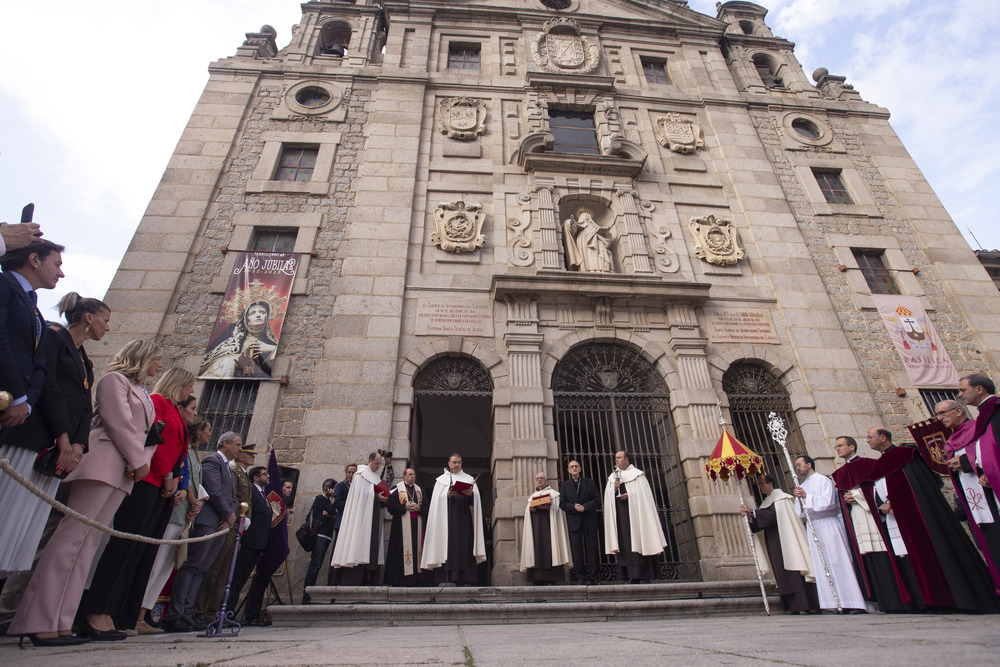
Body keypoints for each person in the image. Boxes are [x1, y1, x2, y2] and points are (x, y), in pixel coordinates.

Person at [7, 340, 159, 646]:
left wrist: (139, 463)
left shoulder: (143, 392)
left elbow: (146, 432)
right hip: (103, 462)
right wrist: (139, 461)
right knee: (70, 540)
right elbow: (119, 423)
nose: (158, 366)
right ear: (141, 358)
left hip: (124, 471)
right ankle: (38, 619)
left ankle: (62, 620)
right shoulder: (113, 381)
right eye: (156, 359)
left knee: (87, 547)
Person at [0, 293, 109, 623]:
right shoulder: (53, 338)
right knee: (8, 521)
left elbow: (83, 404)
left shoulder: (85, 360)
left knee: (24, 530)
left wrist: (79, 443)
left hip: (61, 450)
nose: (107, 326)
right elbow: (49, 389)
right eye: (104, 319)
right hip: (37, 439)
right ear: (88, 318)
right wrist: (63, 436)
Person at [79, 367, 192, 634]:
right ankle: (101, 610)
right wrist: (166, 474)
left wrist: (176, 481)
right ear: (176, 384)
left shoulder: (175, 410)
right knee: (127, 546)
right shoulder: (157, 402)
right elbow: (157, 442)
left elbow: (179, 451)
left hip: (165, 486)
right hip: (149, 481)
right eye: (188, 387)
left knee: (144, 552)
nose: (190, 393)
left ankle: (128, 616)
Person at [863, 425, 998, 613]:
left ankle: (948, 600)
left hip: (918, 517)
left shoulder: (907, 455)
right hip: (895, 519)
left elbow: (921, 485)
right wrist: (882, 504)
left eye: (870, 437)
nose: (867, 441)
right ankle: (923, 600)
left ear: (883, 437)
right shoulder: (879, 464)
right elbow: (878, 488)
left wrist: (897, 503)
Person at [0, 239, 64, 575]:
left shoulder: (35, 308)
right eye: (56, 264)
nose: (61, 272)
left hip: (20, 409)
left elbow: (39, 363)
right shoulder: (5, 286)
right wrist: (18, 396)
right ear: (34, 259)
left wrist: (27, 400)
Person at [162, 431, 241, 633]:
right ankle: (176, 613)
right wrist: (229, 515)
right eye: (238, 444)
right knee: (193, 566)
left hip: (220, 523)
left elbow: (231, 496)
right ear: (225, 444)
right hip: (208, 521)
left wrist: (230, 516)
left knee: (203, 568)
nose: (240, 448)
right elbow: (214, 491)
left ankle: (188, 613)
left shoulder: (229, 468)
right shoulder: (212, 462)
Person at [137, 414, 209, 634]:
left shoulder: (195, 454)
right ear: (198, 431)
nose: (209, 434)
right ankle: (138, 612)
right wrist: (192, 500)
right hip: (175, 512)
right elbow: (184, 479)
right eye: (207, 429)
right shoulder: (185, 451)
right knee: (156, 563)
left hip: (187, 514)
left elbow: (196, 483)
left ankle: (146, 611)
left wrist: (197, 503)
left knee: (167, 566)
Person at [830, 436, 912, 613]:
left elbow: (876, 490)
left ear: (852, 447)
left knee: (882, 554)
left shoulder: (868, 464)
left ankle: (897, 600)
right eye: (836, 447)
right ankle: (882, 601)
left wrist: (857, 496)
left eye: (840, 446)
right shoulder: (841, 473)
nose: (837, 449)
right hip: (857, 518)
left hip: (871, 516)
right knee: (868, 557)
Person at [792, 455, 868, 612]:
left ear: (809, 464)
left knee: (838, 560)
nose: (798, 468)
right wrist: (800, 500)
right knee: (822, 563)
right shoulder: (802, 486)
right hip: (814, 526)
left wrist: (807, 497)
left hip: (829, 524)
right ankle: (832, 602)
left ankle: (852, 601)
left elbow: (829, 503)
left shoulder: (823, 481)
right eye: (796, 466)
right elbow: (799, 513)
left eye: (800, 464)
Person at [941, 397, 1000, 596]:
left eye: (943, 413)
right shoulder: (952, 438)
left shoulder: (978, 428)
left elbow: (988, 453)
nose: (940, 418)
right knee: (988, 540)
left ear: (958, 411)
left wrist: (966, 462)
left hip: (990, 492)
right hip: (972, 497)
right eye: (937, 414)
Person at [740, 474, 819, 614]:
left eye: (761, 483)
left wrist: (752, 512)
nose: (760, 487)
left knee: (793, 568)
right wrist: (751, 516)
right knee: (781, 572)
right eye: (758, 484)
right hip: (774, 539)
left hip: (786, 539)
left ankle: (804, 604)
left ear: (770, 484)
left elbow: (771, 516)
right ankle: (791, 605)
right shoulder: (767, 501)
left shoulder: (781, 498)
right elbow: (762, 518)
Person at [196, 443, 256, 621]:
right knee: (215, 569)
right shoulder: (233, 471)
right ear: (242, 457)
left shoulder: (243, 475)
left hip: (237, 524)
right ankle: (201, 611)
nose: (253, 458)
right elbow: (233, 496)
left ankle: (213, 611)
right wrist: (233, 515)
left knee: (224, 572)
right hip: (228, 522)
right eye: (249, 454)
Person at [420, 453, 486, 585]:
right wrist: (446, 495)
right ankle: (447, 577)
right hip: (446, 520)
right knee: (448, 546)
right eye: (454, 462)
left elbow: (476, 502)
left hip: (464, 519)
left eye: (459, 462)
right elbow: (435, 504)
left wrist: (471, 494)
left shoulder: (468, 478)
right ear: (449, 464)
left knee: (465, 545)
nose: (456, 464)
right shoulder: (441, 481)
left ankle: (465, 578)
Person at [603, 451, 666, 583]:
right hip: (621, 515)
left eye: (619, 458)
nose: (616, 460)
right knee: (625, 542)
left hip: (636, 515)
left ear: (626, 459)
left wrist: (630, 495)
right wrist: (613, 489)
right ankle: (630, 575)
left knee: (640, 539)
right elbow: (608, 497)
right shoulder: (612, 477)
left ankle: (645, 575)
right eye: (615, 458)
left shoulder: (637, 475)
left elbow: (643, 496)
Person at [330, 452, 389, 585]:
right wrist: (375, 496)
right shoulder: (360, 475)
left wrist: (381, 497)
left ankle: (369, 577)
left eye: (380, 464)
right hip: (360, 517)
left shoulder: (375, 477)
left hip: (372, 515)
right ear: (369, 461)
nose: (378, 466)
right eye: (376, 463)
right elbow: (360, 495)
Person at [226, 465, 271, 613]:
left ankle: (230, 611)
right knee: (236, 577)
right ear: (256, 478)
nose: (268, 476)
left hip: (258, 543)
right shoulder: (252, 492)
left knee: (243, 578)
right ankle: (227, 611)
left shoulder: (263, 495)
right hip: (248, 541)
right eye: (265, 474)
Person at [199, 300, 279, 379]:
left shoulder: (271, 343)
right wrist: (237, 362)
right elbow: (216, 363)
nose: (258, 315)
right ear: (246, 319)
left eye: (262, 312)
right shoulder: (233, 343)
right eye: (252, 313)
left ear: (267, 317)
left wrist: (271, 348)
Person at [520, 472, 571, 585]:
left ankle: (552, 578)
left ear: (546, 480)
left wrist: (547, 507)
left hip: (550, 527)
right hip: (536, 528)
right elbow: (529, 513)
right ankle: (538, 578)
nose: (539, 480)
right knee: (536, 549)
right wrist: (532, 509)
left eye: (542, 478)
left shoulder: (554, 495)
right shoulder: (532, 497)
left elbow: (557, 511)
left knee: (552, 549)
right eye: (537, 478)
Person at [384, 468, 430, 587]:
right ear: (404, 476)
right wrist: (404, 507)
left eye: (414, 474)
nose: (412, 476)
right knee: (399, 552)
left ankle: (415, 581)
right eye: (410, 474)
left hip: (416, 527)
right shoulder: (397, 489)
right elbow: (390, 508)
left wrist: (419, 508)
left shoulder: (419, 490)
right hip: (400, 528)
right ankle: (398, 580)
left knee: (415, 552)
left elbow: (426, 508)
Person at [559, 460, 602, 585]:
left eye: (576, 466)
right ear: (568, 470)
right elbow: (562, 504)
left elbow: (597, 499)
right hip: (574, 520)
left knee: (592, 549)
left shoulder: (589, 482)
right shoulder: (565, 485)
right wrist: (573, 507)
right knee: (577, 550)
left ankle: (594, 577)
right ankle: (580, 578)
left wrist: (586, 507)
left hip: (589, 519)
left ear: (580, 469)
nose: (574, 468)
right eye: (571, 467)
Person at [956, 373, 1000, 494]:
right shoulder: (986, 412)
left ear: (979, 389)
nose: (960, 395)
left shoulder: (996, 409)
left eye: (963, 390)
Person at [301, 477, 338, 602]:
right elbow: (331, 511)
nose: (335, 491)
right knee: (315, 564)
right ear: (326, 488)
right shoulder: (320, 499)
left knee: (317, 564)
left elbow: (333, 514)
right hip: (320, 535)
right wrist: (333, 502)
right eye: (333, 489)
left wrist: (331, 515)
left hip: (327, 535)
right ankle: (306, 596)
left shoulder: (327, 500)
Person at [327, 464, 357, 585]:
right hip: (342, 524)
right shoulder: (341, 486)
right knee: (338, 553)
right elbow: (337, 504)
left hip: (353, 524)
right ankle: (333, 581)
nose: (351, 475)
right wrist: (354, 503)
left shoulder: (357, 487)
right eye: (349, 472)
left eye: (353, 472)